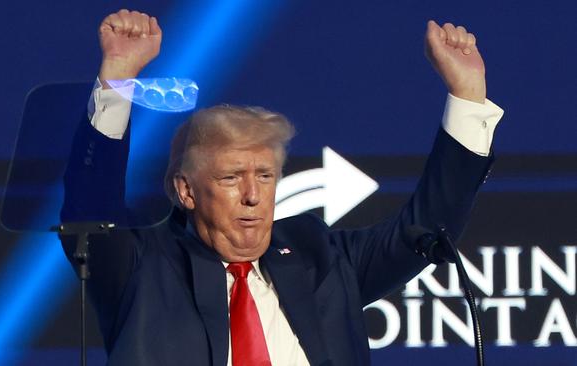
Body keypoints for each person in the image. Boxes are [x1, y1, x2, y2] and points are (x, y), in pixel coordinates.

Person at [61, 9, 504, 366]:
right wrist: (117, 80)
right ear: (186, 191)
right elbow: (88, 207)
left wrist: (467, 97)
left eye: (265, 176)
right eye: (231, 178)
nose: (253, 195)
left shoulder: (321, 258)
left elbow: (428, 229)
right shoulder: (143, 267)